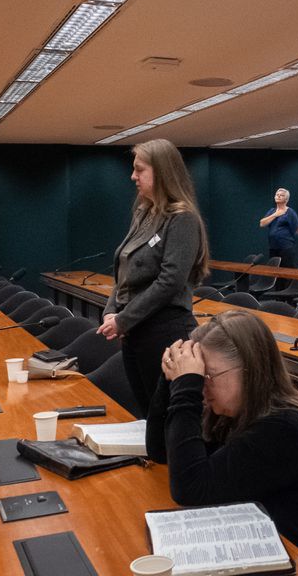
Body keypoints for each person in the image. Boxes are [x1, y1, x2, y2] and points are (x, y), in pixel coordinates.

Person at [146, 310, 298, 562]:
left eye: (208, 376)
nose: (202, 386)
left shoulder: (286, 429)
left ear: (251, 370)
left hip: (286, 556)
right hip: (237, 538)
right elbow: (159, 452)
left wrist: (186, 389)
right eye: (200, 375)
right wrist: (170, 381)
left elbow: (190, 490)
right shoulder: (231, 408)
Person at [97, 139, 209, 418]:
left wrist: (123, 319)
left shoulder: (182, 219)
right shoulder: (145, 213)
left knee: (166, 418)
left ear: (162, 172)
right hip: (137, 332)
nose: (132, 176)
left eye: (140, 170)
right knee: (147, 415)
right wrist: (112, 312)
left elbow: (170, 281)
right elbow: (125, 270)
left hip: (166, 333)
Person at [259, 187, 298, 267]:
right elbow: (262, 223)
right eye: (277, 195)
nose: (278, 196)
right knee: (274, 272)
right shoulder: (272, 211)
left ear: (286, 199)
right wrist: (275, 214)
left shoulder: (290, 212)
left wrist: (289, 239)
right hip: (273, 247)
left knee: (286, 273)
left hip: (286, 248)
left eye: (281, 195)